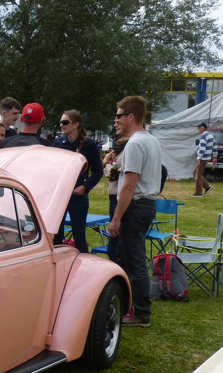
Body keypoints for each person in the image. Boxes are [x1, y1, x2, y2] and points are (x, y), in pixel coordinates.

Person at [107, 96, 162, 328]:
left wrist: (117, 218)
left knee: (135, 261)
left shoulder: (136, 144)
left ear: (131, 117)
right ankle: (130, 305)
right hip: (145, 204)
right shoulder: (151, 140)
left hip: (135, 206)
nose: (115, 120)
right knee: (129, 257)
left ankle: (141, 313)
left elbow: (129, 185)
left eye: (119, 115)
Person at [53, 110, 103, 252]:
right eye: (60, 122)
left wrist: (85, 187)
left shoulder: (89, 144)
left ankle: (82, 267)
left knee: (79, 235)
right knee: (56, 235)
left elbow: (98, 171)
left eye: (65, 122)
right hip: (60, 194)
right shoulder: (58, 142)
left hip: (78, 194)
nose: (61, 125)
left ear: (76, 124)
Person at [102, 136, 128, 263]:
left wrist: (106, 162)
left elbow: (112, 175)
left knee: (113, 245)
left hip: (117, 196)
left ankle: (119, 268)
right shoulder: (121, 155)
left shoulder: (123, 156)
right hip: (114, 195)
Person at [192, 122, 215, 196]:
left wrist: (199, 159)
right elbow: (215, 147)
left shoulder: (203, 136)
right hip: (207, 157)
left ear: (203, 128)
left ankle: (198, 193)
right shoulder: (210, 136)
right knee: (195, 172)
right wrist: (215, 157)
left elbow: (202, 148)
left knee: (198, 175)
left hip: (202, 158)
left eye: (199, 128)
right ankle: (207, 186)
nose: (198, 129)